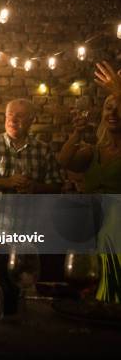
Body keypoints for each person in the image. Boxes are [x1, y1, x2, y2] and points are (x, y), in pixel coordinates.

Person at [59, 61, 121, 303]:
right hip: (92, 232)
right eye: (108, 108)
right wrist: (77, 133)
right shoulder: (95, 150)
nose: (113, 113)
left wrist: (117, 90)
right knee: (91, 297)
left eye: (118, 107)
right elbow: (65, 160)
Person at [0, 98, 62, 194]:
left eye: (19, 116)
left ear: (31, 120)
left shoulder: (43, 149)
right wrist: (7, 182)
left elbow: (57, 187)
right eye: (10, 115)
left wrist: (36, 188)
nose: (13, 120)